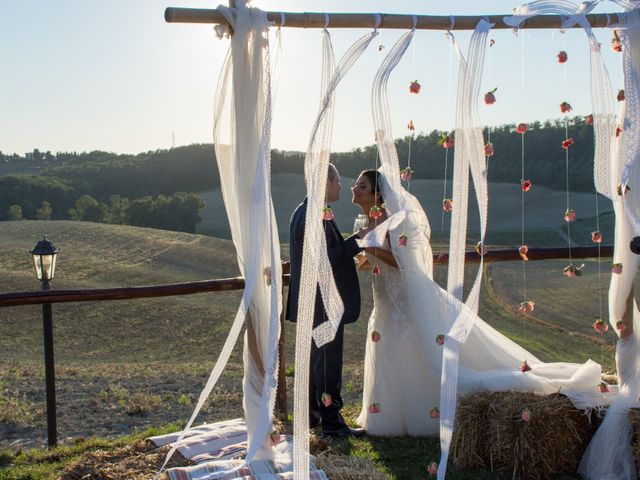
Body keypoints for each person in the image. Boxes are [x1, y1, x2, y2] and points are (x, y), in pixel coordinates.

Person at [352, 168, 607, 437]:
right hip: (385, 296)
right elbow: (378, 256)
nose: (354, 189)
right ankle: (386, 418)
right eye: (356, 185)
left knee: (414, 350)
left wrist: (365, 246)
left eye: (362, 186)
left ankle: (412, 415)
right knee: (390, 349)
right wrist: (361, 256)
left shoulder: (392, 220)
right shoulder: (369, 221)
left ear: (378, 194)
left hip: (403, 296)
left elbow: (401, 262)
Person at [286, 163, 365, 438]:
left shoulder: (304, 210)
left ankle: (312, 415)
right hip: (322, 302)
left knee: (316, 362)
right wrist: (358, 241)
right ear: (325, 182)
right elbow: (324, 259)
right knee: (327, 362)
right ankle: (332, 422)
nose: (341, 186)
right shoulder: (314, 214)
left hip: (313, 301)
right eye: (337, 181)